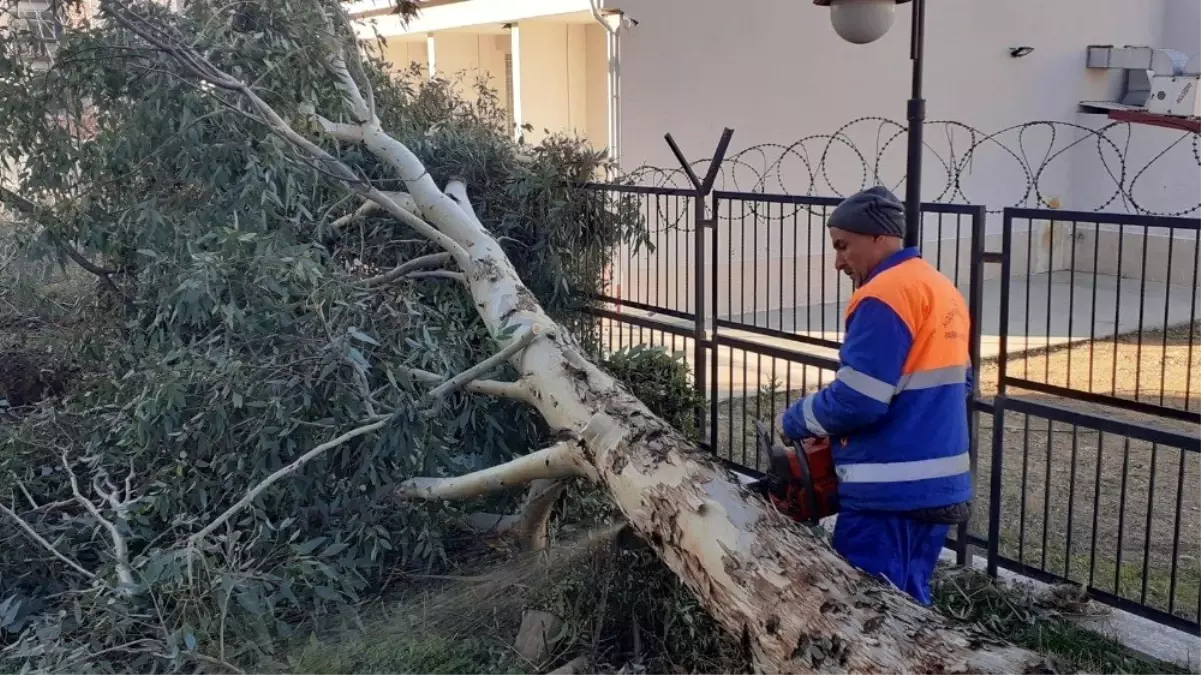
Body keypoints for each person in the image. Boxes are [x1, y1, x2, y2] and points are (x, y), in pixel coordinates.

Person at [779, 185, 973, 606]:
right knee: (910, 616)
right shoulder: (941, 289)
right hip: (939, 488)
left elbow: (858, 400)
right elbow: (963, 386)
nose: (838, 262)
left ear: (878, 236)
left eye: (843, 246)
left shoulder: (884, 295)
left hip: (889, 496)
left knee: (868, 615)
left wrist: (794, 420)